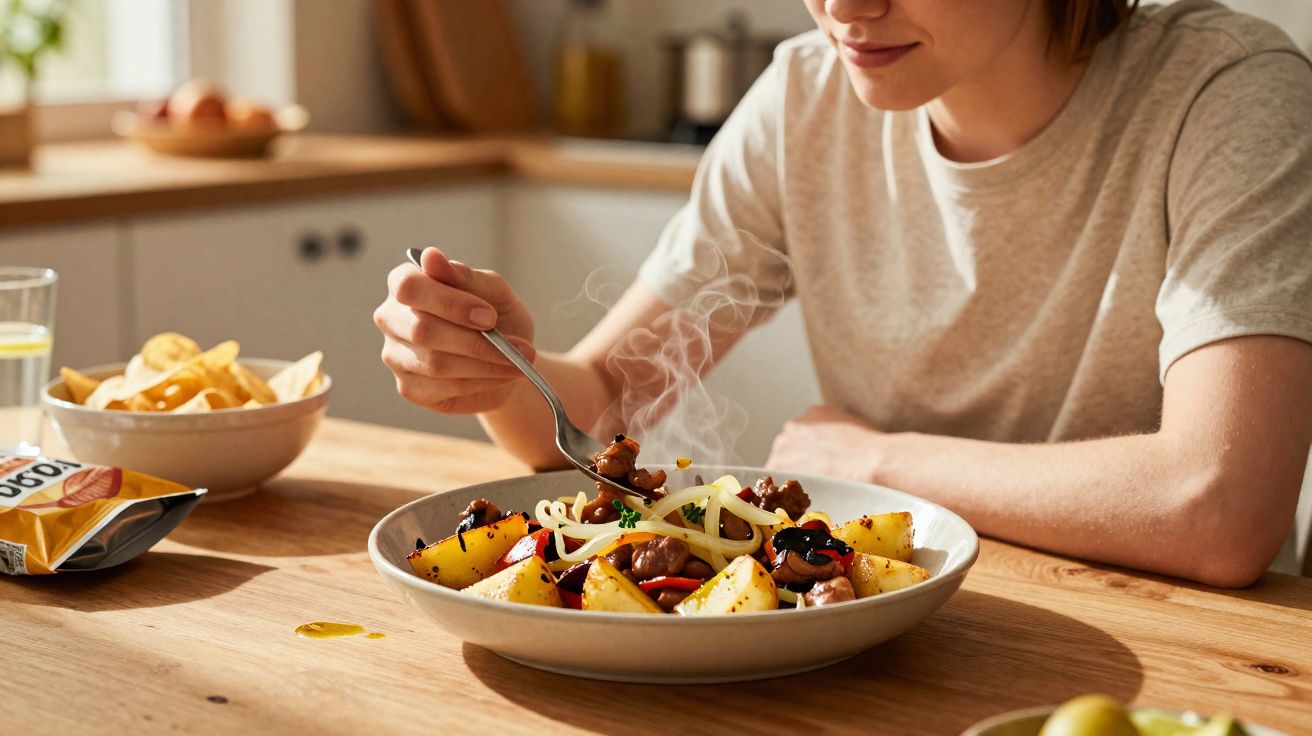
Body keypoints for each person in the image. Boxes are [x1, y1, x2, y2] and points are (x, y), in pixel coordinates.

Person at [374, 0, 1312, 588]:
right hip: (881, 647)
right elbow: (595, 415)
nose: (843, 7)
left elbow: (1218, 506)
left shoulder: (1224, 95)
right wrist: (499, 371)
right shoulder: (804, 100)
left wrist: (878, 462)